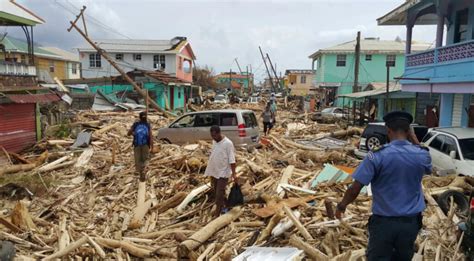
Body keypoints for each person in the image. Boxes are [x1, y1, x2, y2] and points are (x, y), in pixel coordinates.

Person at [335, 111, 432, 261]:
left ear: (388, 131)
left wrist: (342, 205)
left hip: (384, 224)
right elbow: (426, 163)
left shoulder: (377, 155)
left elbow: (355, 188)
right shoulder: (421, 154)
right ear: (408, 131)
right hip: (410, 224)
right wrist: (414, 140)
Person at [204, 125, 237, 217]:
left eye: (215, 135)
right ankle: (226, 205)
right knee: (216, 192)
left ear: (219, 133)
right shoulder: (214, 141)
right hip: (214, 171)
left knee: (219, 194)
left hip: (224, 172)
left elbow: (232, 159)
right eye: (212, 136)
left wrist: (234, 174)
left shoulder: (228, 143)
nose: (213, 138)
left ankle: (217, 214)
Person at [127, 111, 153, 182]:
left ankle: (140, 173)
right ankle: (144, 171)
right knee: (146, 159)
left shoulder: (136, 124)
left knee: (138, 160)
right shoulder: (148, 125)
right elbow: (150, 136)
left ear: (139, 117)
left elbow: (128, 133)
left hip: (137, 145)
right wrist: (152, 147)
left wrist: (133, 133)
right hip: (145, 145)